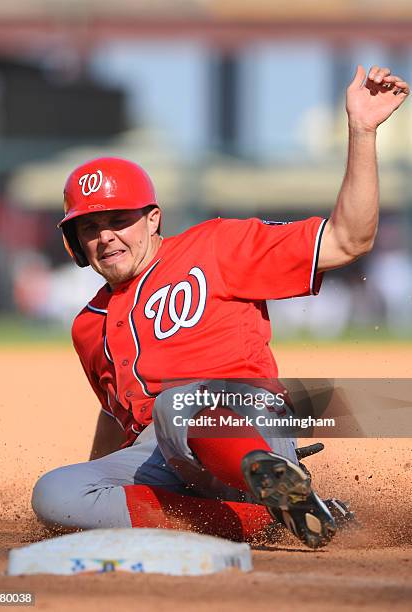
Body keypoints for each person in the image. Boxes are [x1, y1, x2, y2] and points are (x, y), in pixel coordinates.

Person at [32, 65, 409, 548]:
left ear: (152, 219)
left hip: (243, 419)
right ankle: (269, 518)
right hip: (164, 455)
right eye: (89, 227)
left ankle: (267, 478)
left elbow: (347, 239)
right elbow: (115, 417)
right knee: (57, 493)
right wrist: (97, 479)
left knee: (177, 405)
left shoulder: (217, 245)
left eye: (119, 220)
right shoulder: (89, 326)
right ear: (74, 243)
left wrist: (361, 132)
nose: (105, 236)